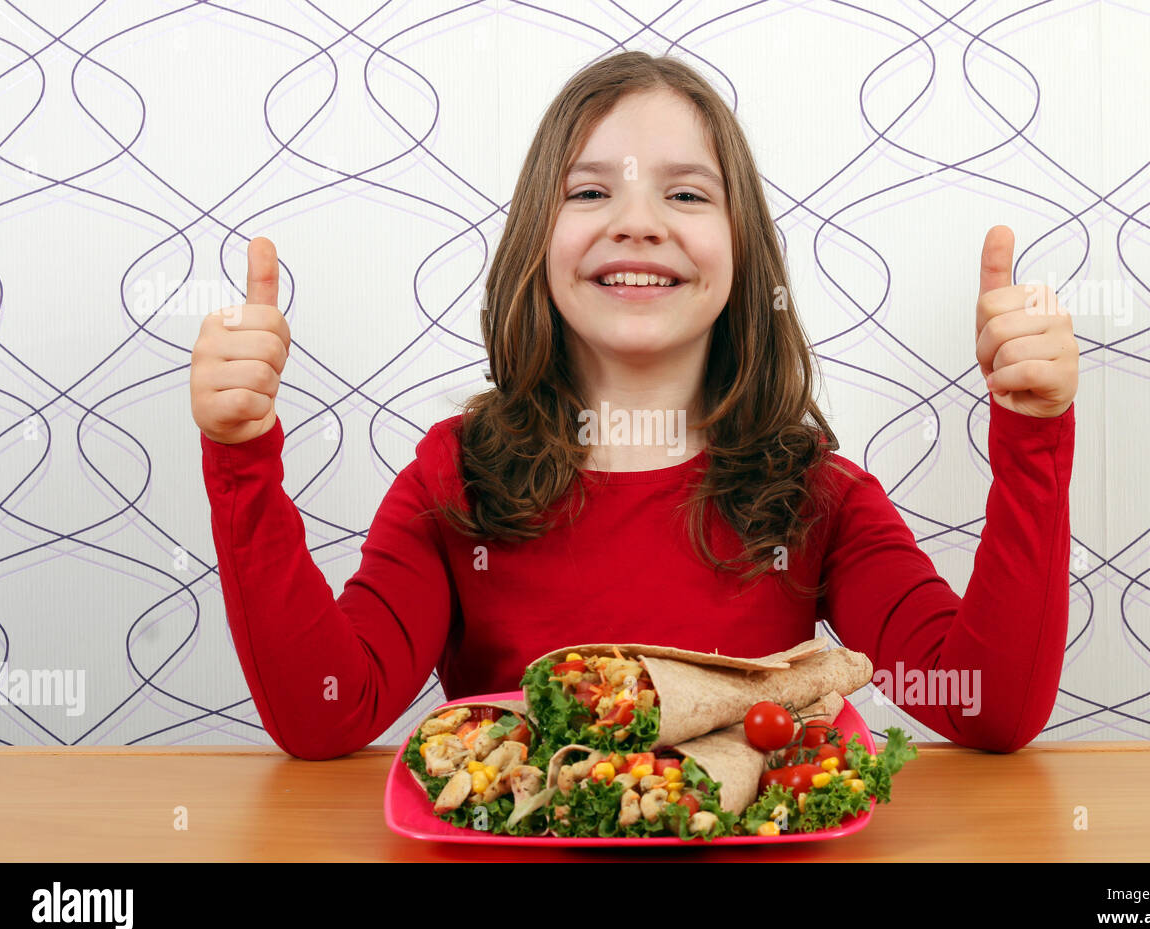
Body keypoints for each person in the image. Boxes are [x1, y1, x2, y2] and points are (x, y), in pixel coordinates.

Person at [190, 52, 1078, 761]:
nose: (639, 222)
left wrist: (1033, 437)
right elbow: (325, 714)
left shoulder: (817, 498)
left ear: (742, 256)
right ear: (539, 243)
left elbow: (987, 708)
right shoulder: (454, 477)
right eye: (590, 192)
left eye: (686, 194)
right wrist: (242, 455)